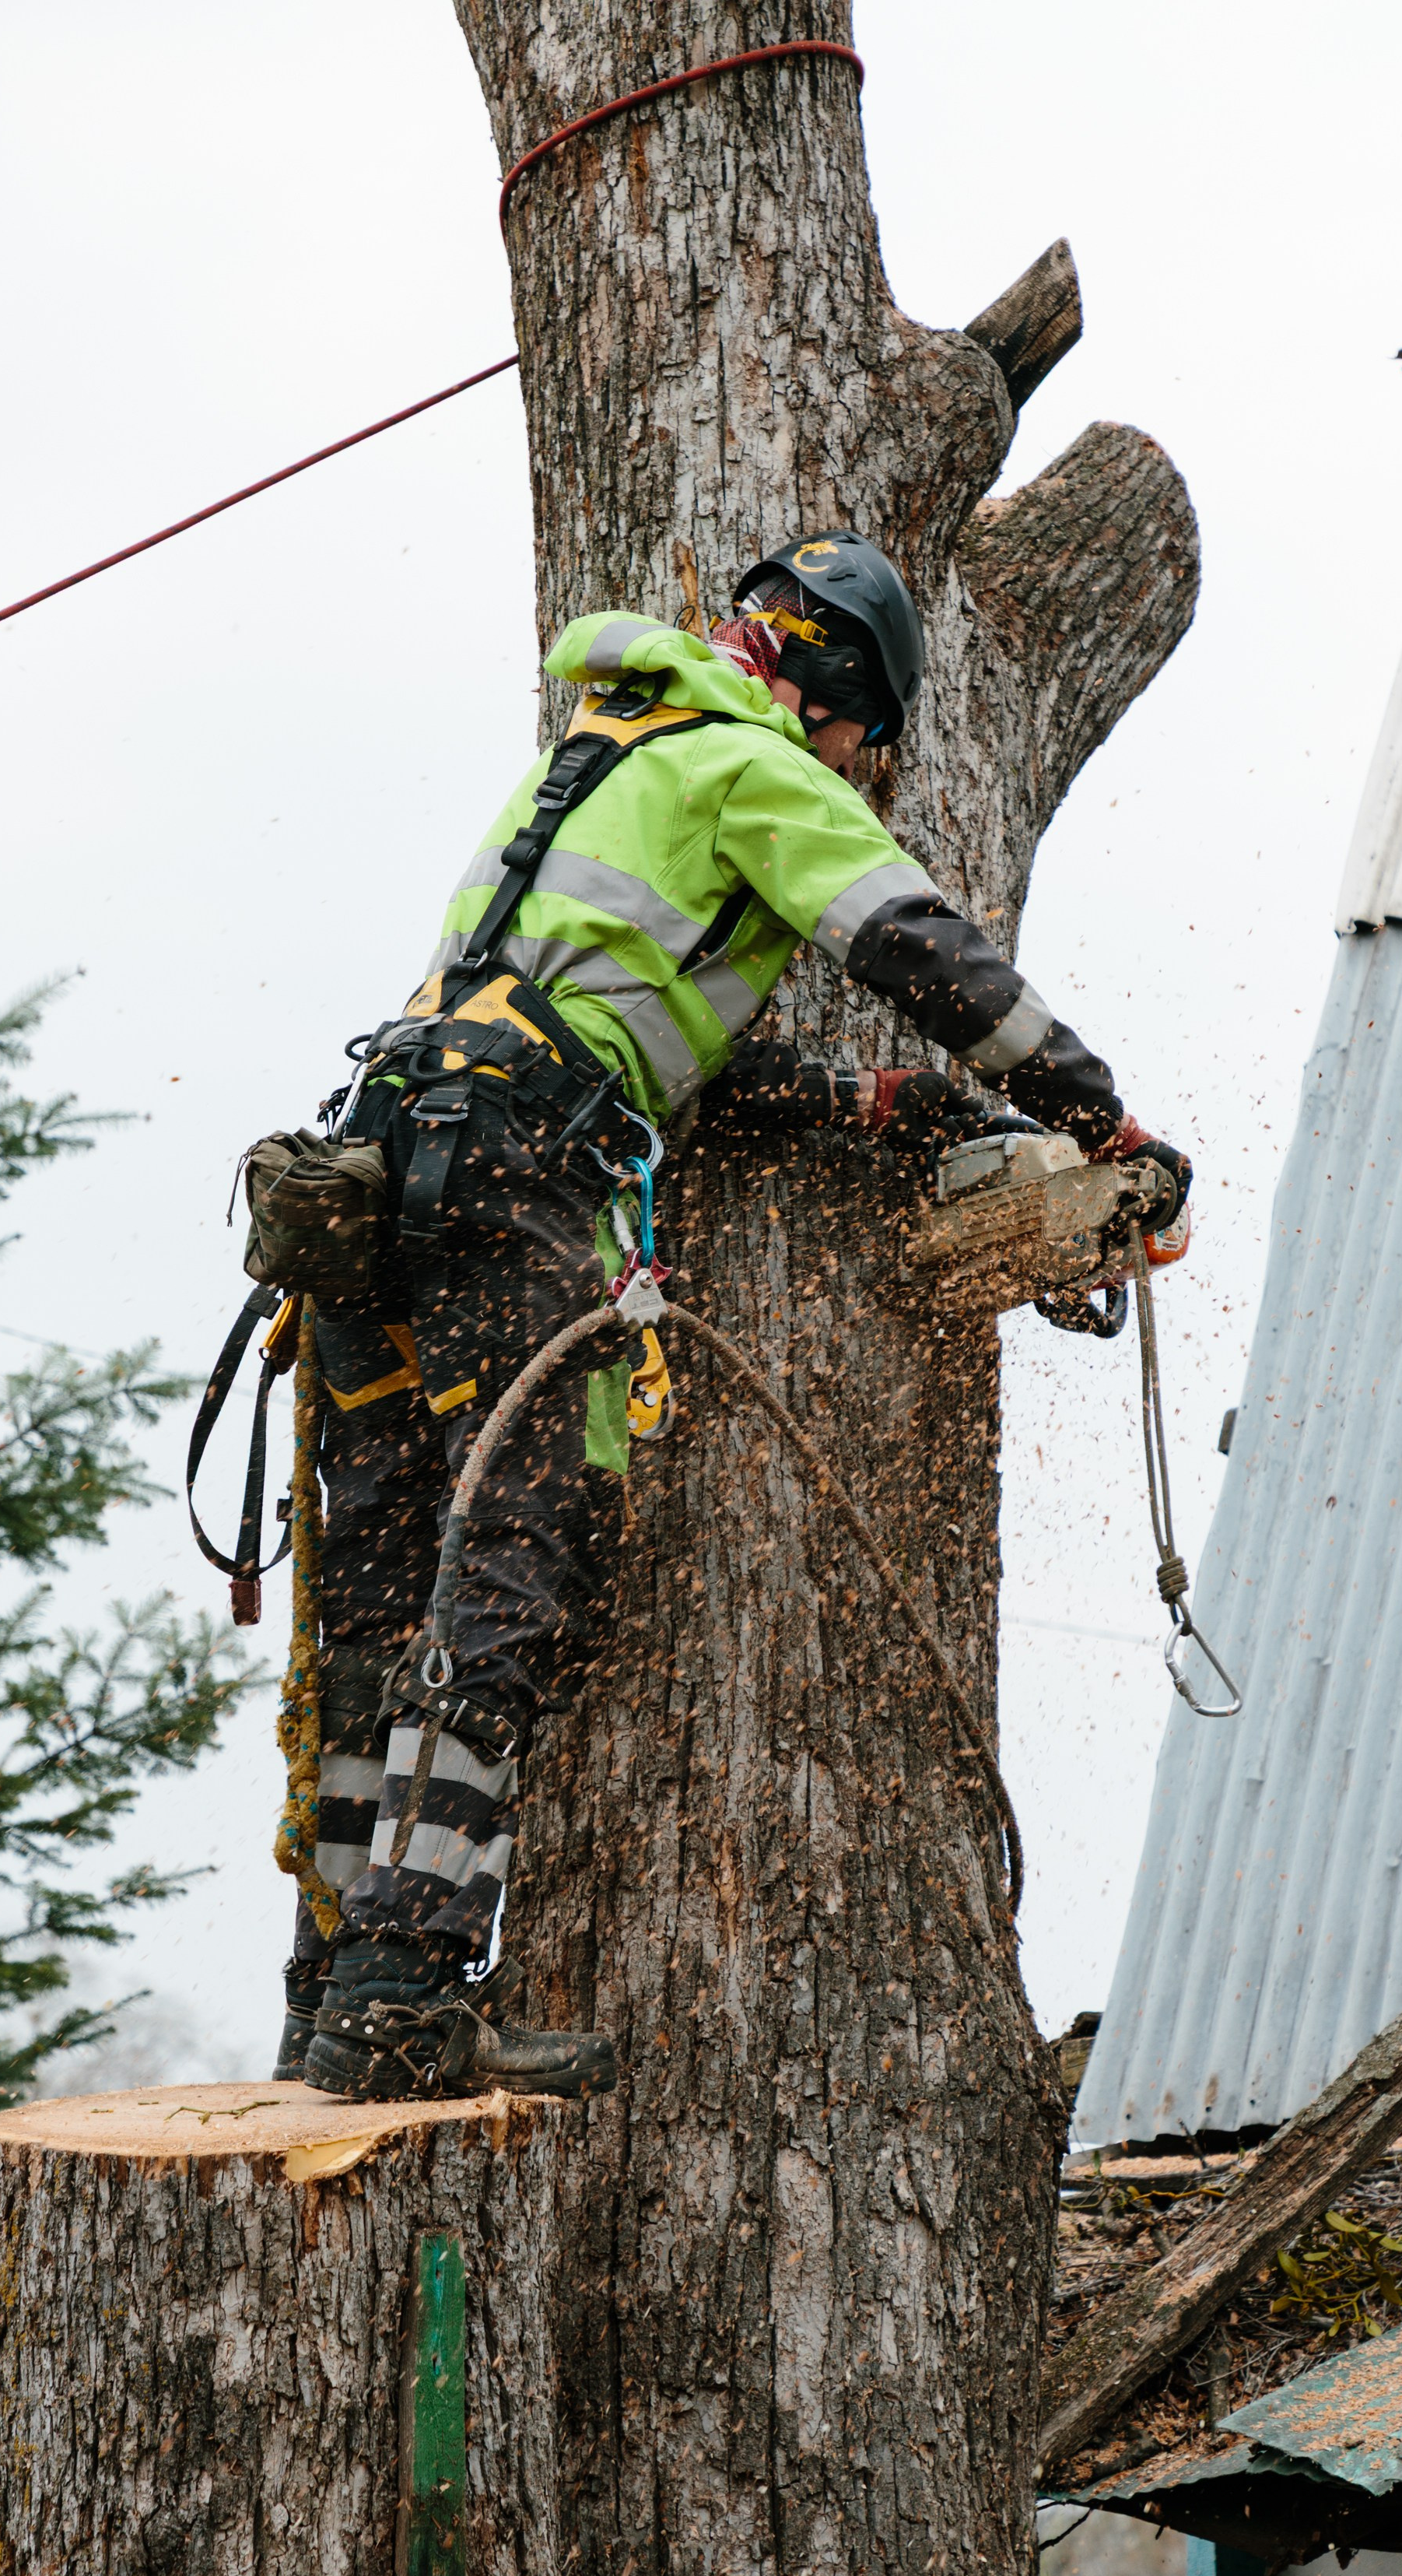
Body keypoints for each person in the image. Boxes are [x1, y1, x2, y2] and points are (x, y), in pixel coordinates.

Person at [287, 531, 1187, 2104]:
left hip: (379, 1162)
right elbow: (920, 945)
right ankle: (405, 1995)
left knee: (376, 1583)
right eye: (866, 748)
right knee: (513, 1551)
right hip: (517, 1177)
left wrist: (869, 1101)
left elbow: (645, 1030)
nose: (855, 773)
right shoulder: (758, 764)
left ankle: (332, 1985)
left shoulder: (602, 746)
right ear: (843, 702)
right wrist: (1097, 1118)